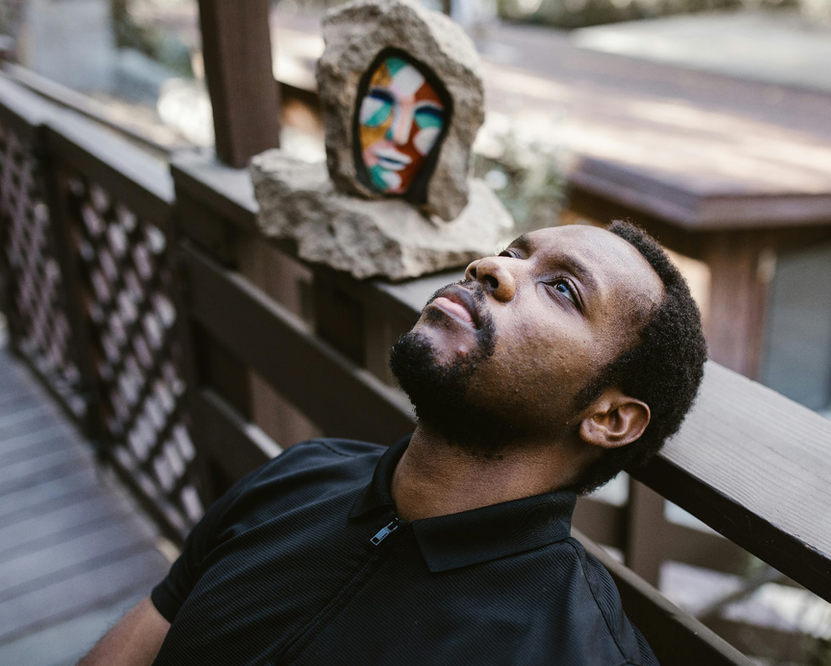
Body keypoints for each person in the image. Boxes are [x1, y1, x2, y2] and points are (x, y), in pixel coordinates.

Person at [78, 221, 707, 666]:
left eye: (563, 288)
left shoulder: (573, 650)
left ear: (611, 418)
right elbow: (152, 629)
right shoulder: (303, 474)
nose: (491, 269)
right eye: (511, 252)